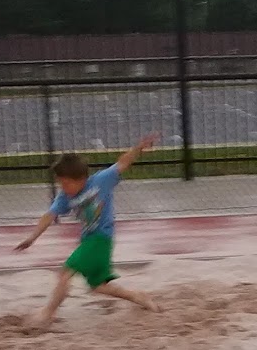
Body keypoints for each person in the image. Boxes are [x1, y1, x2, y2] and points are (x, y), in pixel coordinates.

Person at [15, 133, 161, 331]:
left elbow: (122, 163)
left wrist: (139, 148)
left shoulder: (101, 180)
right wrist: (32, 237)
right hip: (89, 240)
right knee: (98, 286)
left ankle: (48, 314)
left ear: (82, 179)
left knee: (66, 272)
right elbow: (49, 215)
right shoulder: (65, 197)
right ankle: (138, 297)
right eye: (60, 183)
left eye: (66, 183)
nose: (63, 188)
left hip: (101, 238)